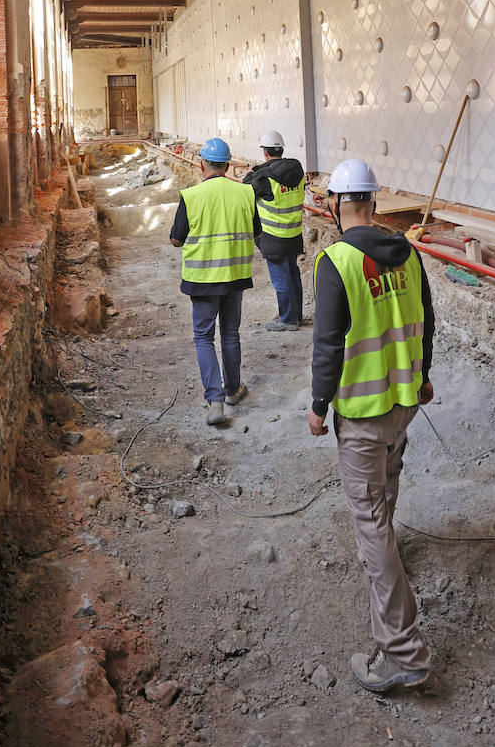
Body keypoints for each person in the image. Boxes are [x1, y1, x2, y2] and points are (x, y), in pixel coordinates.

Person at [307, 158, 435, 693]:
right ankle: (390, 557)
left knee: (370, 522)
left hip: (361, 412)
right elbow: (426, 320)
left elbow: (328, 344)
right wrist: (424, 377)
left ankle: (404, 655)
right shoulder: (409, 253)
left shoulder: (335, 262)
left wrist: (318, 405)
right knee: (387, 490)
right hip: (402, 402)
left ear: (338, 205)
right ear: (374, 204)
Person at [170, 137, 260, 426]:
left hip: (203, 279)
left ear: (202, 164)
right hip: (235, 276)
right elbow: (256, 233)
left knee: (203, 337)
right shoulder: (245, 193)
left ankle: (215, 400)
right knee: (230, 333)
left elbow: (175, 239)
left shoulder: (192, 196)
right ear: (228, 165)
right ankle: (233, 389)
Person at [243, 130, 307, 333]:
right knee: (293, 274)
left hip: (273, 236)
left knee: (281, 279)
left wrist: (251, 173)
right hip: (293, 233)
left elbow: (246, 193)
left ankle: (287, 320)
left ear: (265, 152)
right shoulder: (297, 170)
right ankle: (295, 316)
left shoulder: (263, 177)